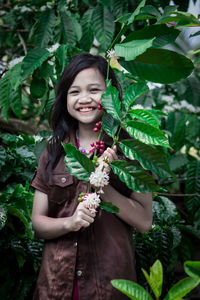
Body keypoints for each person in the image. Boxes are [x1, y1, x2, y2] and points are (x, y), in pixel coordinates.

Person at [31, 52, 152, 300]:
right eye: (74, 92)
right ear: (64, 98)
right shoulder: (54, 151)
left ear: (110, 96)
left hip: (109, 286)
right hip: (56, 286)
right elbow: (38, 223)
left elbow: (144, 222)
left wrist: (102, 184)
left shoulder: (130, 150)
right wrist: (70, 223)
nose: (84, 99)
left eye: (94, 90)